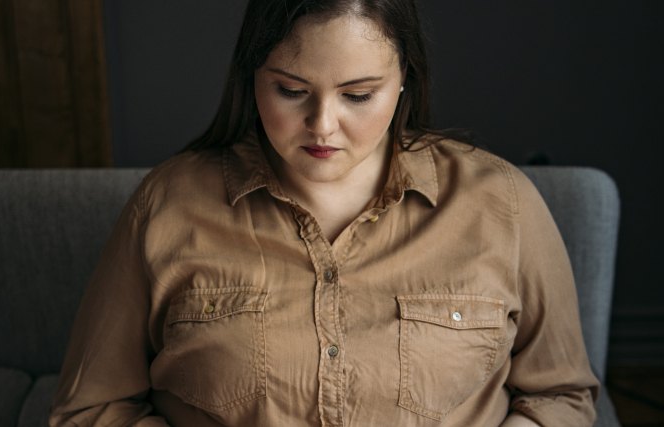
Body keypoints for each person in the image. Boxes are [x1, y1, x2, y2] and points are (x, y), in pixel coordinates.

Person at [48, 0, 600, 425]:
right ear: (253, 76)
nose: (322, 125)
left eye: (358, 95)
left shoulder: (503, 204)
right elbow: (91, 409)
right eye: (291, 90)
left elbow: (562, 395)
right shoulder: (166, 206)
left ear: (404, 78)